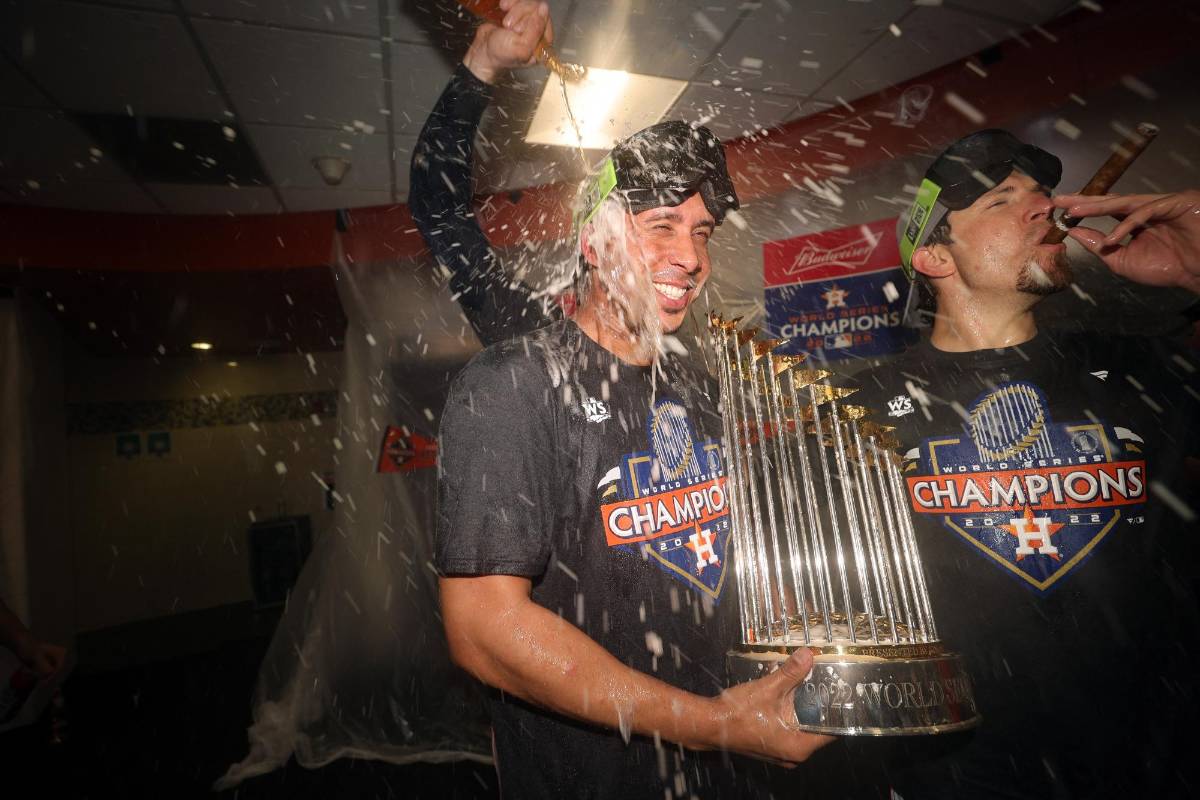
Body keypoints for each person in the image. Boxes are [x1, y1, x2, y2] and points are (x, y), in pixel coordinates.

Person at [429, 1, 831, 797]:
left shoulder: (691, 379)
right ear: (595, 239)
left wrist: (791, 638)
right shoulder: (516, 379)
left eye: (702, 232)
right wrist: (482, 67)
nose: (688, 255)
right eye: (659, 226)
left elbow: (710, 543)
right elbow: (484, 634)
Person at [855, 129, 1200, 798]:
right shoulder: (860, 406)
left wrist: (1198, 274)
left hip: (1150, 759)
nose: (1044, 207)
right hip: (958, 772)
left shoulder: (1136, 368)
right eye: (1001, 200)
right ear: (934, 256)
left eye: (1042, 194)